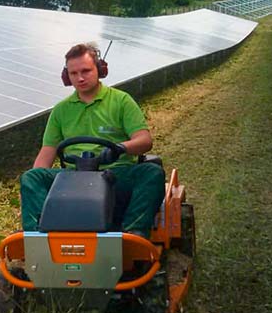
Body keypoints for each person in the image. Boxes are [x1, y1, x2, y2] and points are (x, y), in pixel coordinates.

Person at [20, 42, 165, 238]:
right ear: (66, 76)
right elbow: (46, 153)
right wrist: (34, 185)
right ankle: (37, 237)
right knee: (31, 177)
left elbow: (144, 140)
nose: (80, 78)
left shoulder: (121, 101)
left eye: (86, 71)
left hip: (116, 175)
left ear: (100, 69)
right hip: (72, 178)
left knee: (152, 172)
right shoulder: (61, 111)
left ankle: (133, 234)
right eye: (73, 73)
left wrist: (120, 148)